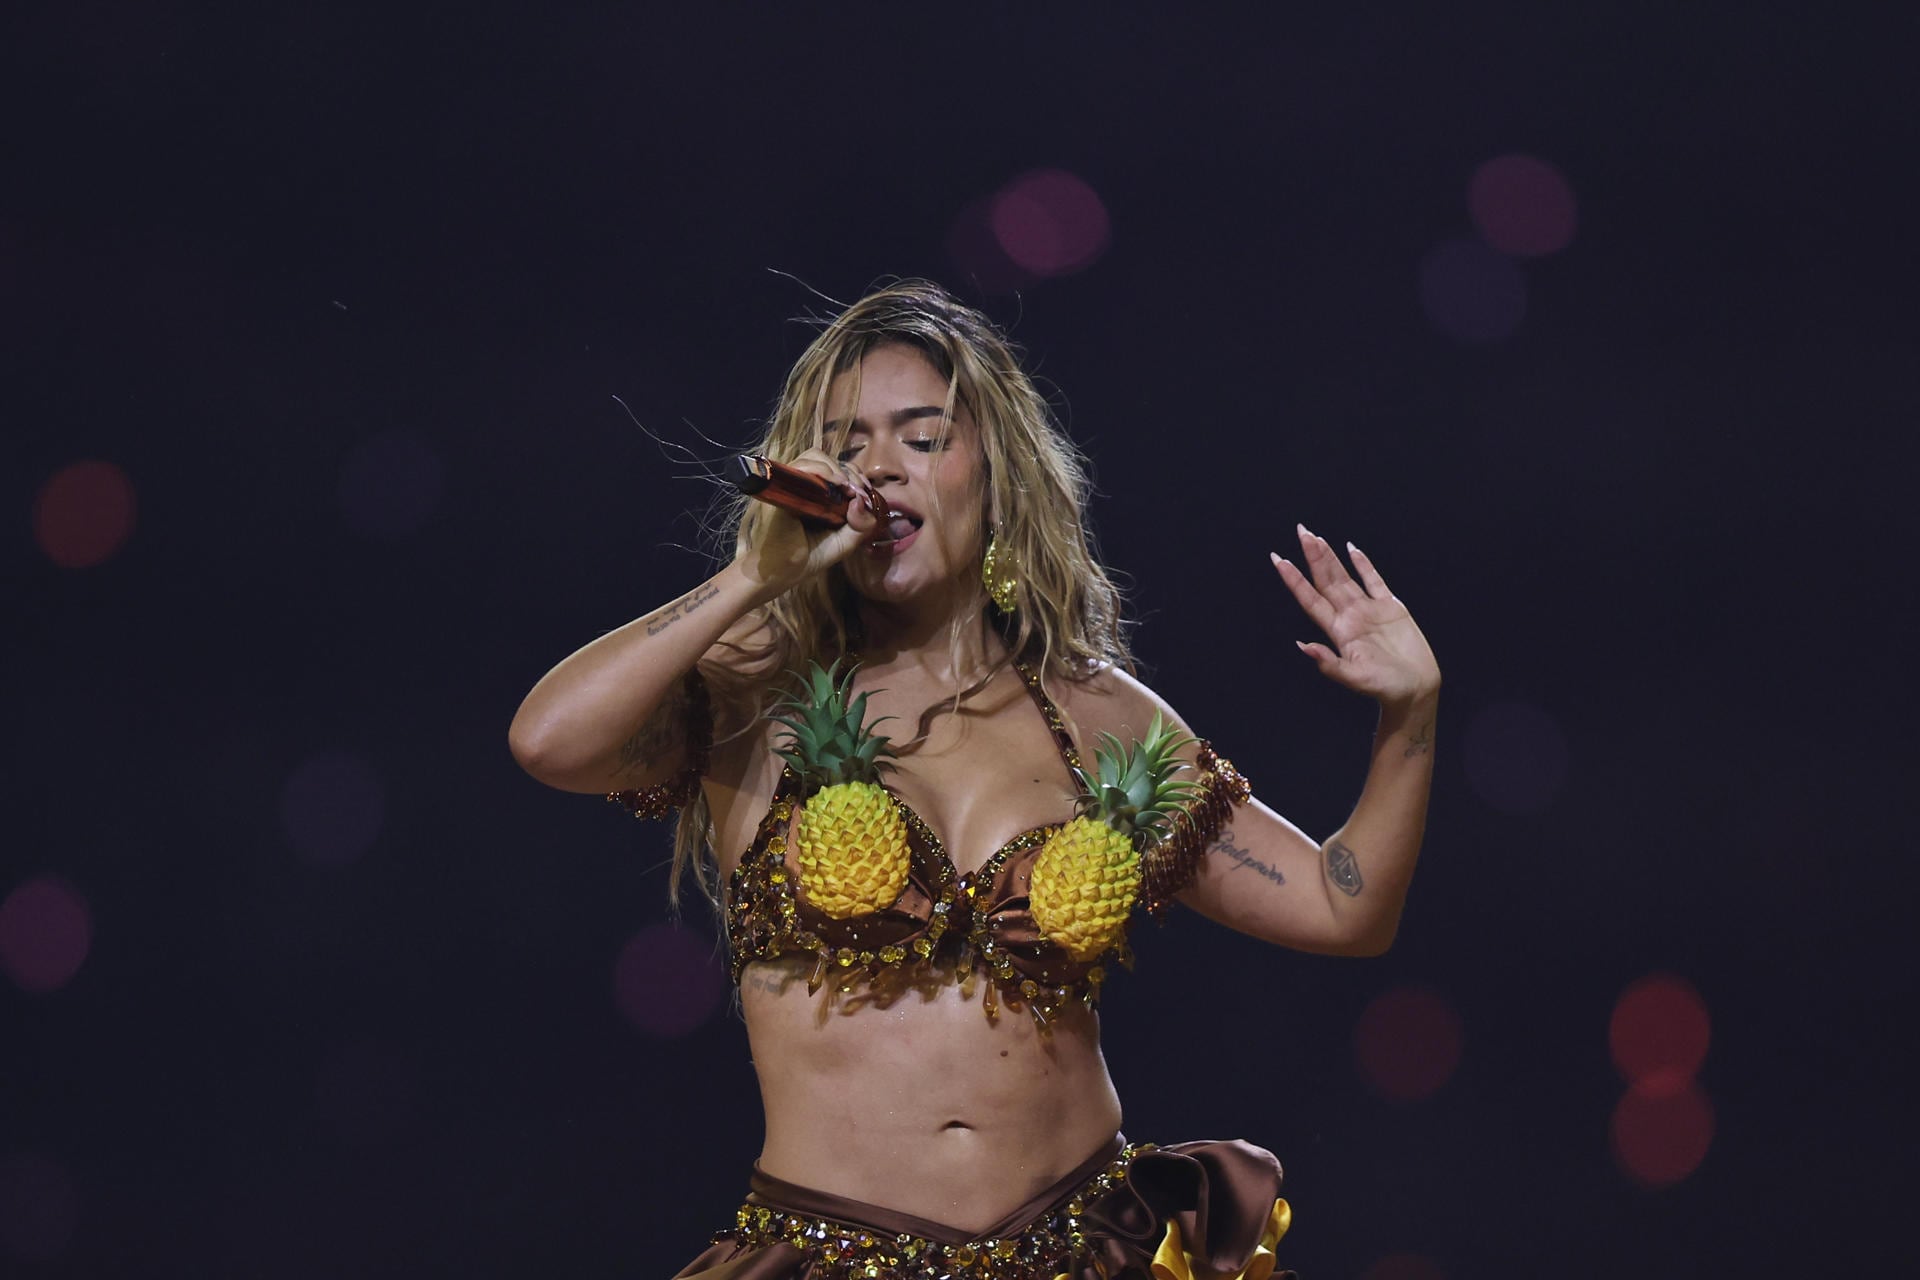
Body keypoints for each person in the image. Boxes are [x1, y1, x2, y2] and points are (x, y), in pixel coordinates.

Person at [508, 281, 1440, 1280]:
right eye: (848, 443)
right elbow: (549, 742)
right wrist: (755, 576)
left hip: (1083, 1247)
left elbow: (1345, 907)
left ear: (995, 471)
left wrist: (1411, 712)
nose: (880, 467)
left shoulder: (1097, 714)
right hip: (832, 1252)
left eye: (921, 437)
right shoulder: (752, 694)